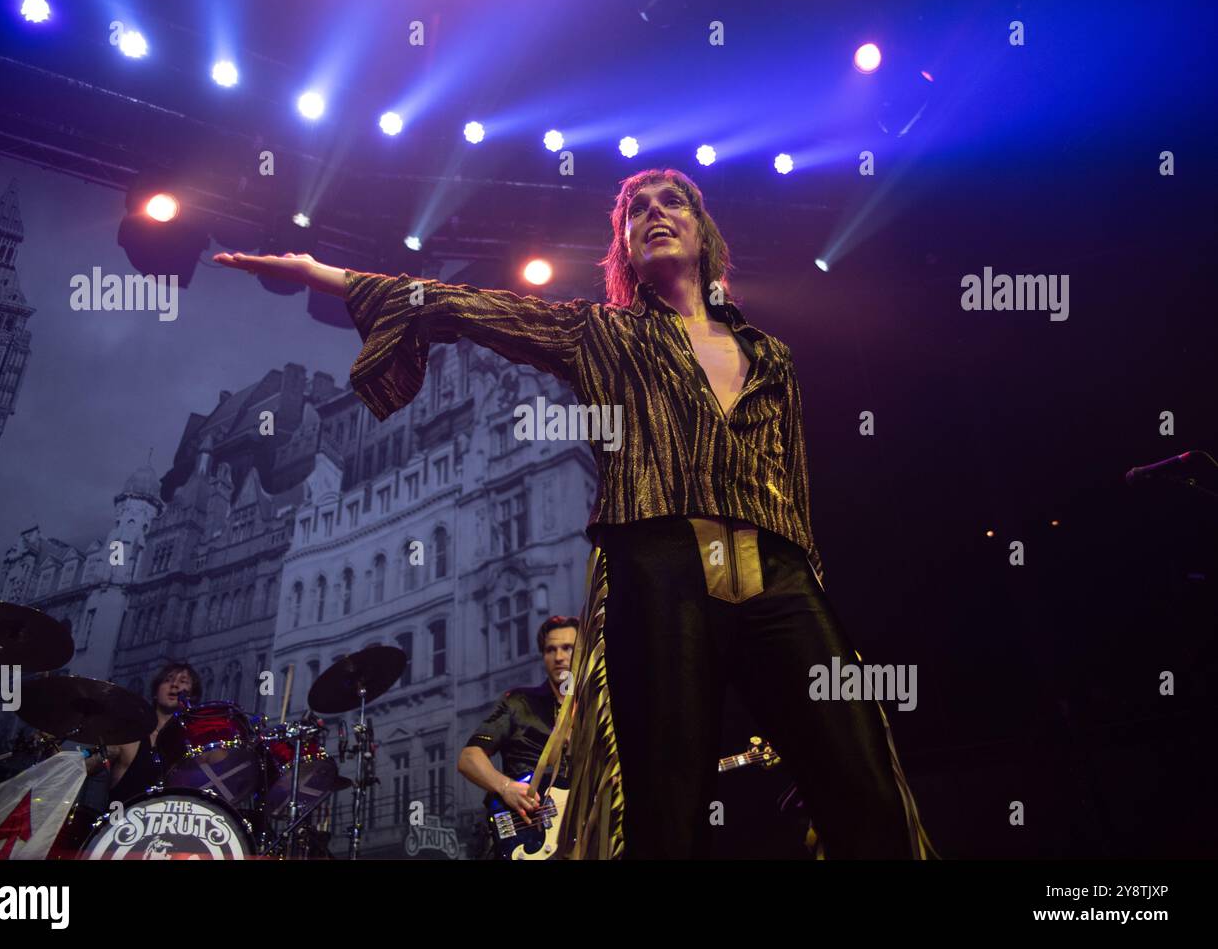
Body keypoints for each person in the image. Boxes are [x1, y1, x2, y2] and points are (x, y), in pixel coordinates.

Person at [212, 167, 937, 860]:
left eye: (671, 200)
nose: (653, 212)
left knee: (861, 771)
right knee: (665, 800)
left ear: (703, 229)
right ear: (623, 245)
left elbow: (794, 484)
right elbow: (468, 306)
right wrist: (330, 275)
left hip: (775, 567)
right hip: (657, 565)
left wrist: (811, 578)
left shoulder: (770, 357)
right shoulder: (603, 334)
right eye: (635, 209)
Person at [458, 616, 577, 829]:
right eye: (551, 650)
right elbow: (468, 758)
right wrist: (505, 787)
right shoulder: (519, 702)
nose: (558, 657)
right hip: (526, 830)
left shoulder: (597, 709)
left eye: (567, 648)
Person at [106, 662, 201, 805]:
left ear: (192, 696)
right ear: (156, 692)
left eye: (183, 681)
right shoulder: (131, 736)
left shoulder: (194, 745)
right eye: (168, 680)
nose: (174, 685)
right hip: (121, 822)